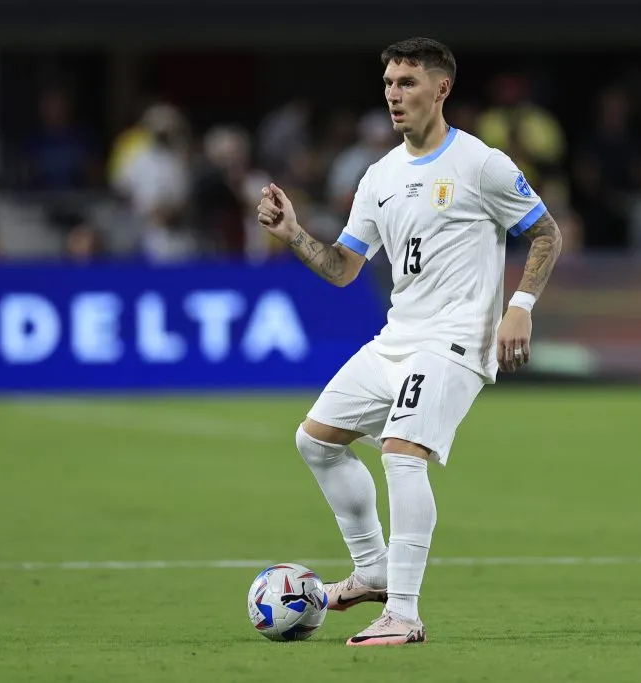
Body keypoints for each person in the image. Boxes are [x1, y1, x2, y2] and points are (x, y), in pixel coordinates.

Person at [256, 37, 562, 646]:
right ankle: (371, 569)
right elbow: (345, 267)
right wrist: (294, 234)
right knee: (315, 442)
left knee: (401, 452)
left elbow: (546, 233)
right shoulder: (379, 176)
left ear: (441, 89)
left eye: (408, 83)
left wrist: (520, 307)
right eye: (390, 84)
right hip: (397, 337)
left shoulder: (481, 164)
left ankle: (403, 611)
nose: (395, 95)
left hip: (455, 342)